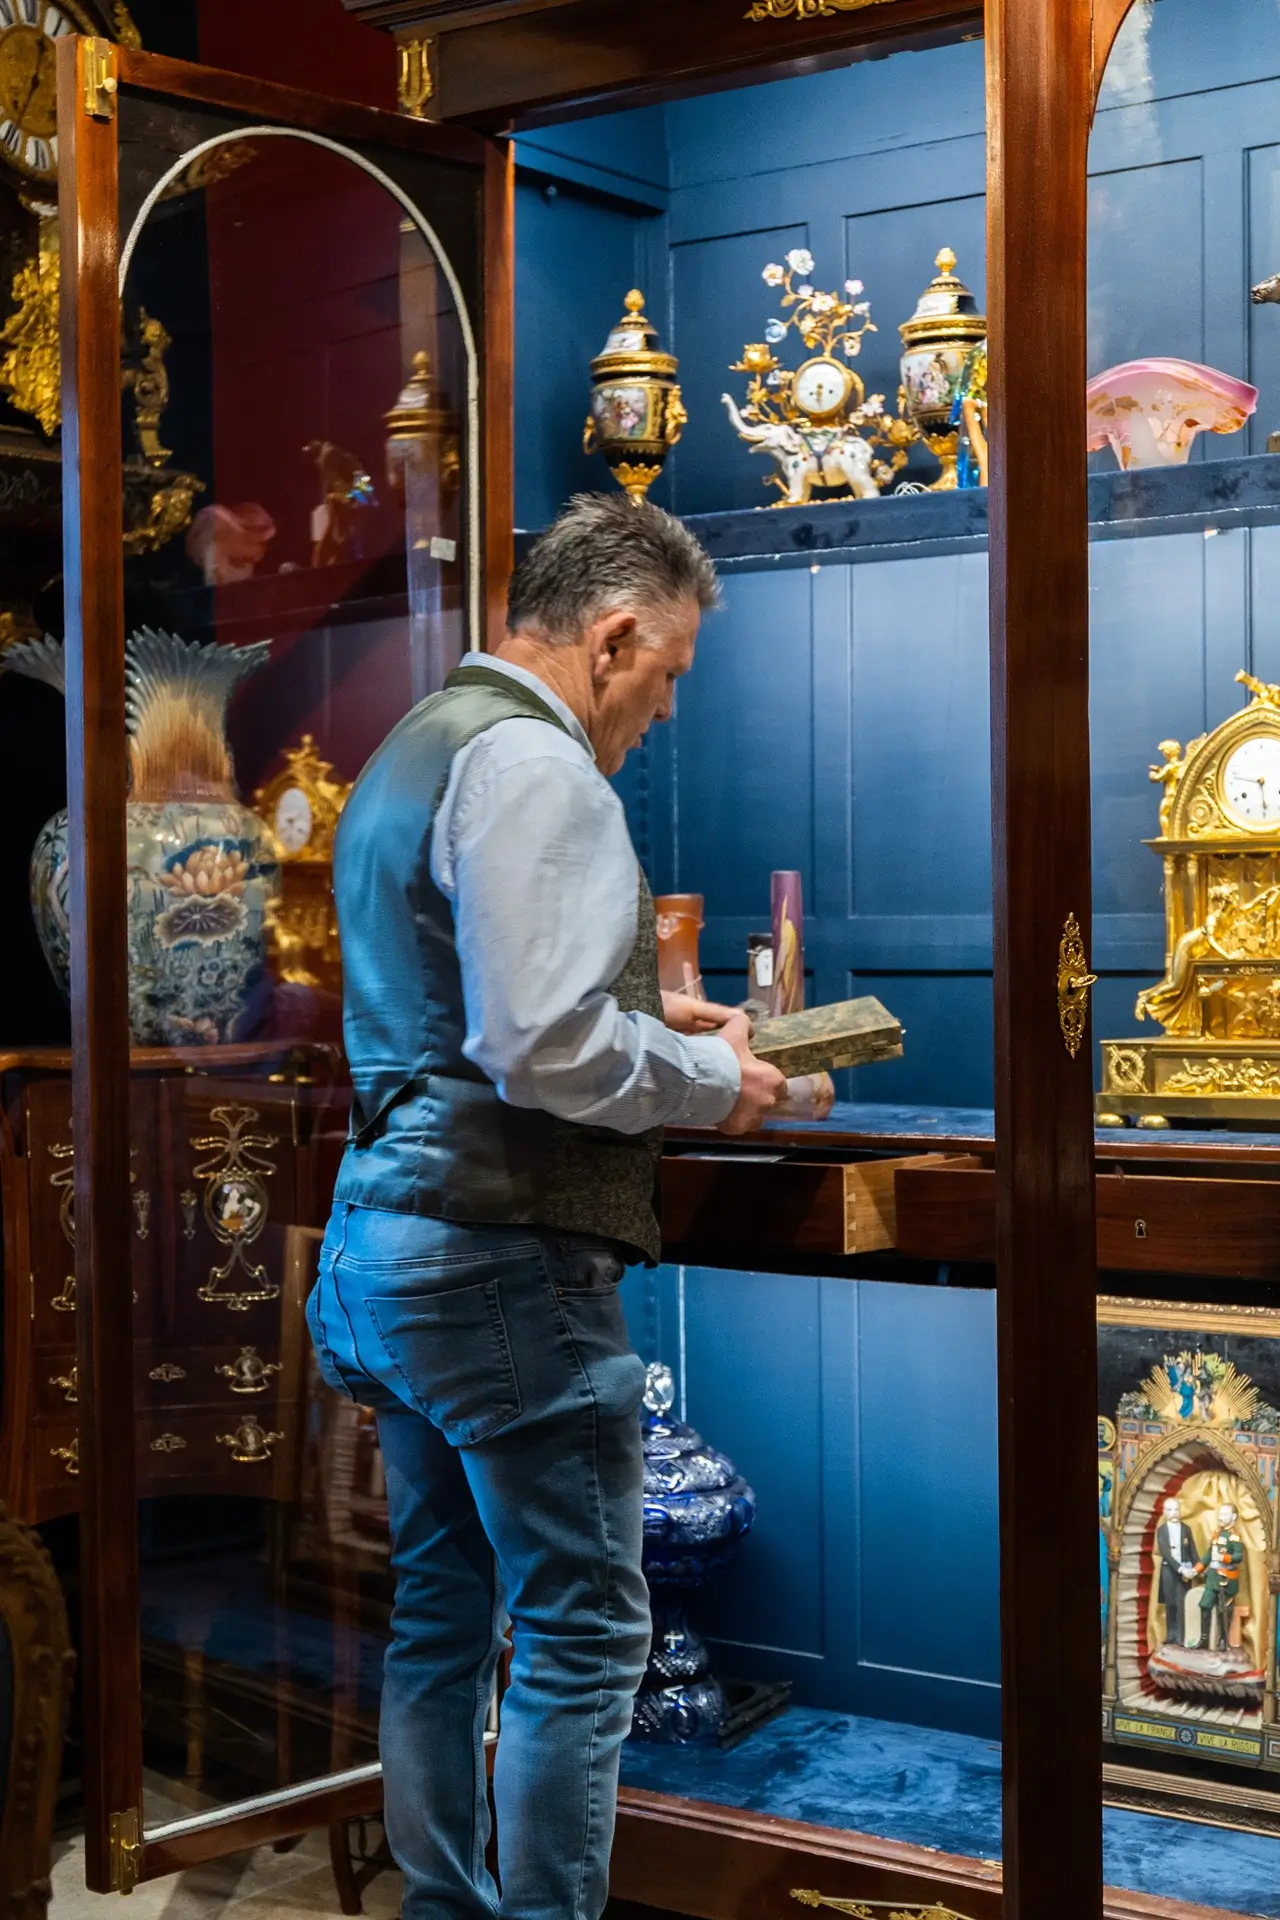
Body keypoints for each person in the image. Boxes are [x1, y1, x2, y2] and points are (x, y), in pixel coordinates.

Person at [306, 493, 785, 1920]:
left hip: (387, 1252)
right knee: (583, 1634)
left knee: (443, 1620)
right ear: (615, 632)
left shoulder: (411, 752)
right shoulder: (541, 764)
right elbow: (542, 1048)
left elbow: (477, 1001)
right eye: (669, 673)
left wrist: (656, 1010)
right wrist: (715, 1079)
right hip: (500, 1265)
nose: (666, 706)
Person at [1195, 1501, 1245, 1654]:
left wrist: (1224, 1557)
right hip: (1212, 1578)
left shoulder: (1234, 1537)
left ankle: (1223, 1640)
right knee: (1205, 1605)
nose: (1220, 1517)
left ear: (1233, 1516)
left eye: (1224, 1514)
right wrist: (1197, 1569)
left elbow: (1239, 1556)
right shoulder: (1216, 1533)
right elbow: (1209, 1555)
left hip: (1226, 1580)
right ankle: (1203, 1639)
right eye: (1220, 1513)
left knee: (1223, 1610)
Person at [1154, 1495, 1197, 1647]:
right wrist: (1179, 1569)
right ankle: (1170, 1635)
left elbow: (1192, 1550)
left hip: (1185, 1571)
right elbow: (1165, 1552)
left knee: (1182, 1603)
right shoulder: (1162, 1530)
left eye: (1176, 1509)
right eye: (1170, 1509)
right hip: (1169, 1570)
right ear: (1164, 1512)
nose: (1173, 1512)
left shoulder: (1186, 1529)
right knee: (1170, 1603)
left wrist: (1197, 1568)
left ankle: (1181, 1636)